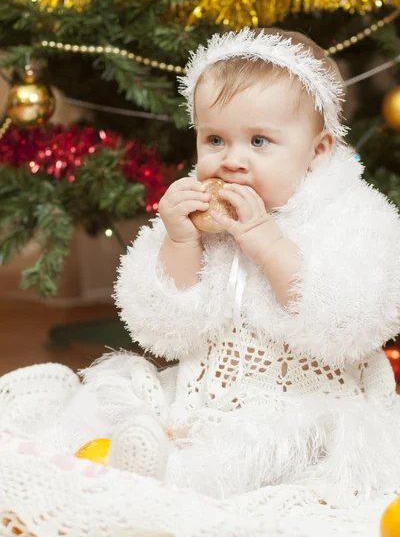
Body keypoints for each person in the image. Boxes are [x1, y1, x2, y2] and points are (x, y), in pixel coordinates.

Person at [4, 27, 400, 505]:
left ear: (317, 151)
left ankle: (162, 477)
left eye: (259, 141)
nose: (231, 160)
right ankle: (125, 453)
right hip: (203, 393)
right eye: (215, 138)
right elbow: (165, 327)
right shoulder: (199, 211)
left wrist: (265, 241)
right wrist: (180, 240)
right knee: (115, 391)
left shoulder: (351, 215)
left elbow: (347, 320)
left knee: (262, 452)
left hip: (303, 404)